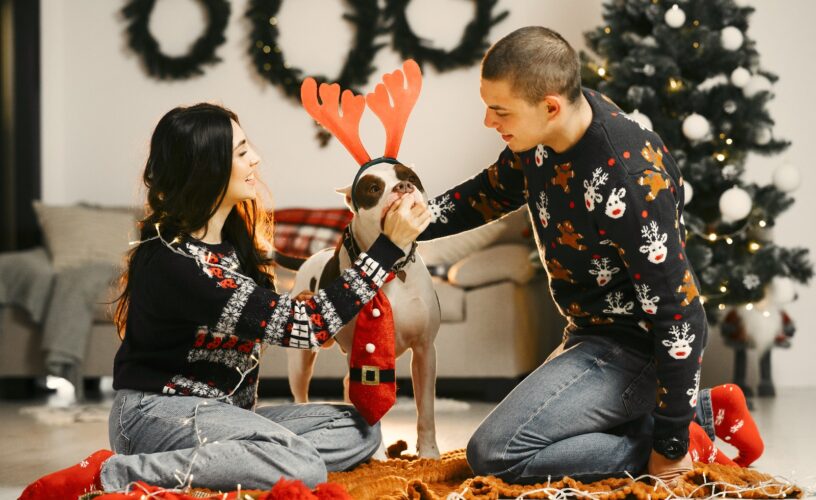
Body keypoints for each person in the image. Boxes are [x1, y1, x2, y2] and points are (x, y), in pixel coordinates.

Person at [20, 102, 431, 499]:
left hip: (228, 415)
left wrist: (306, 309)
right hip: (157, 413)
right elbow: (305, 325)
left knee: (363, 429)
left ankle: (233, 462)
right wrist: (386, 248)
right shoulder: (173, 260)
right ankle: (112, 474)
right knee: (303, 465)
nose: (256, 158)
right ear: (207, 169)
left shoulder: (236, 246)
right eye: (241, 151)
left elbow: (275, 321)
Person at [417, 27, 763, 484]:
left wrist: (670, 445)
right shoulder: (542, 137)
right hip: (589, 334)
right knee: (530, 439)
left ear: (550, 106)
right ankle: (704, 411)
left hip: (635, 350)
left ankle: (679, 438)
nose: (488, 122)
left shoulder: (628, 177)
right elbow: (488, 194)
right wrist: (411, 219)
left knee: (496, 453)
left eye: (499, 111)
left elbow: (681, 314)